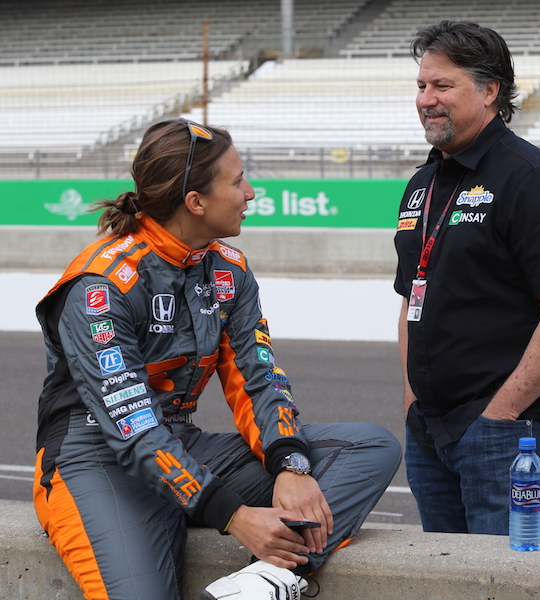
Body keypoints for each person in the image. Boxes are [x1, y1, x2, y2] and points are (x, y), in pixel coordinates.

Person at [34, 118, 402, 600]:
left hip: (180, 443)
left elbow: (259, 379)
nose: (251, 192)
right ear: (196, 202)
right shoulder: (99, 286)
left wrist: (290, 465)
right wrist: (234, 515)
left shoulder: (229, 270)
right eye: (238, 181)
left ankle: (261, 582)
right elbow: (132, 429)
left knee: (368, 448)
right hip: (96, 460)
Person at [394, 21, 540, 537]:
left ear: (489, 91)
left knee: (499, 576)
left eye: (443, 85)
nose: (426, 99)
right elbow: (411, 299)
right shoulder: (422, 184)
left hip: (508, 435)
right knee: (443, 575)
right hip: (430, 432)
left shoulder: (533, 179)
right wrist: (413, 403)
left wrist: (499, 416)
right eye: (421, 85)